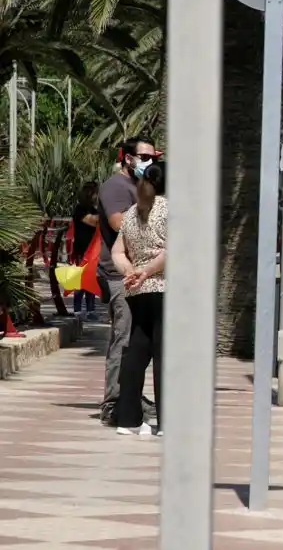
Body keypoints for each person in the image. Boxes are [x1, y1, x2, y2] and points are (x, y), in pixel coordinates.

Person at [97, 136, 158, 427]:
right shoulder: (116, 187)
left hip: (141, 275)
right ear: (127, 158)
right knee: (123, 339)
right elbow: (118, 222)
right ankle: (113, 404)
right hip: (120, 274)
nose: (148, 161)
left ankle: (131, 397)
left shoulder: (138, 187)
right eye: (143, 156)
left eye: (152, 157)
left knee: (138, 341)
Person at [112, 162, 167, 436]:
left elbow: (117, 251)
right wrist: (147, 272)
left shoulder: (133, 212)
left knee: (137, 351)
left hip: (137, 292)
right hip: (164, 288)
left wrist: (131, 272)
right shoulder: (171, 209)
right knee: (165, 355)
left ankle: (128, 418)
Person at [71, 182, 100, 320]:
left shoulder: (95, 210)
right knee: (80, 280)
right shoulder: (80, 210)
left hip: (93, 250)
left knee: (91, 279)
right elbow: (93, 222)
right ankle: (77, 309)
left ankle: (90, 309)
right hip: (82, 249)